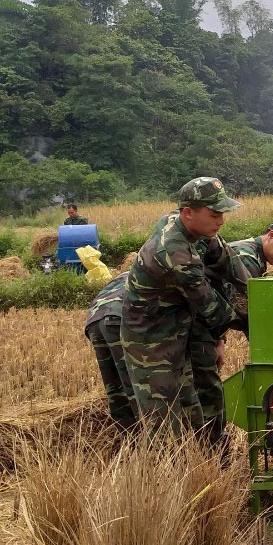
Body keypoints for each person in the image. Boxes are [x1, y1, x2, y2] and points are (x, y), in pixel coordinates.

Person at [121, 177, 248, 442]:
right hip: (151, 340)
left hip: (179, 326)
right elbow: (214, 310)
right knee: (164, 420)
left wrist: (259, 293)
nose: (221, 221)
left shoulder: (193, 228)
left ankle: (202, 462)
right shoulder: (174, 254)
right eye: (214, 214)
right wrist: (254, 321)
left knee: (192, 407)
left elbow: (227, 259)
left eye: (223, 213)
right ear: (188, 213)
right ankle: (167, 477)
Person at [85, 272, 138, 430]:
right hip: (120, 318)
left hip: (94, 320)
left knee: (115, 387)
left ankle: (128, 436)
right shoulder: (155, 273)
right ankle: (148, 441)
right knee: (136, 384)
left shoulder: (127, 273)